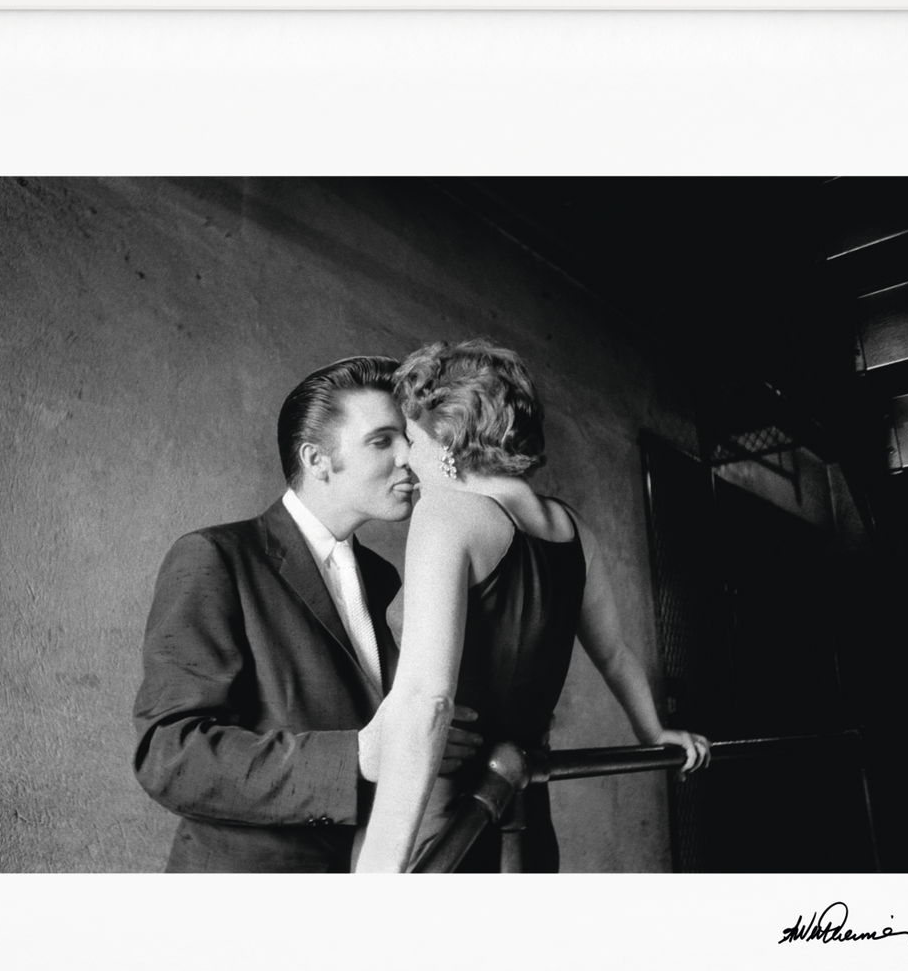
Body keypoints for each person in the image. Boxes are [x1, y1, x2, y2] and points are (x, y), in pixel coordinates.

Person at [353, 339, 712, 874]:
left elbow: (427, 698)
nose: (405, 455)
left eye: (410, 435)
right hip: (523, 805)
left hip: (439, 812)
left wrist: (381, 868)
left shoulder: (447, 515)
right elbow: (614, 654)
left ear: (445, 437)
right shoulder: (573, 528)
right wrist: (652, 733)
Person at [132, 355, 481, 872]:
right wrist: (359, 756)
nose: (409, 456)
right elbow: (170, 755)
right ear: (317, 460)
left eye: (407, 437)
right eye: (382, 440)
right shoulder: (215, 557)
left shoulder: (384, 577)